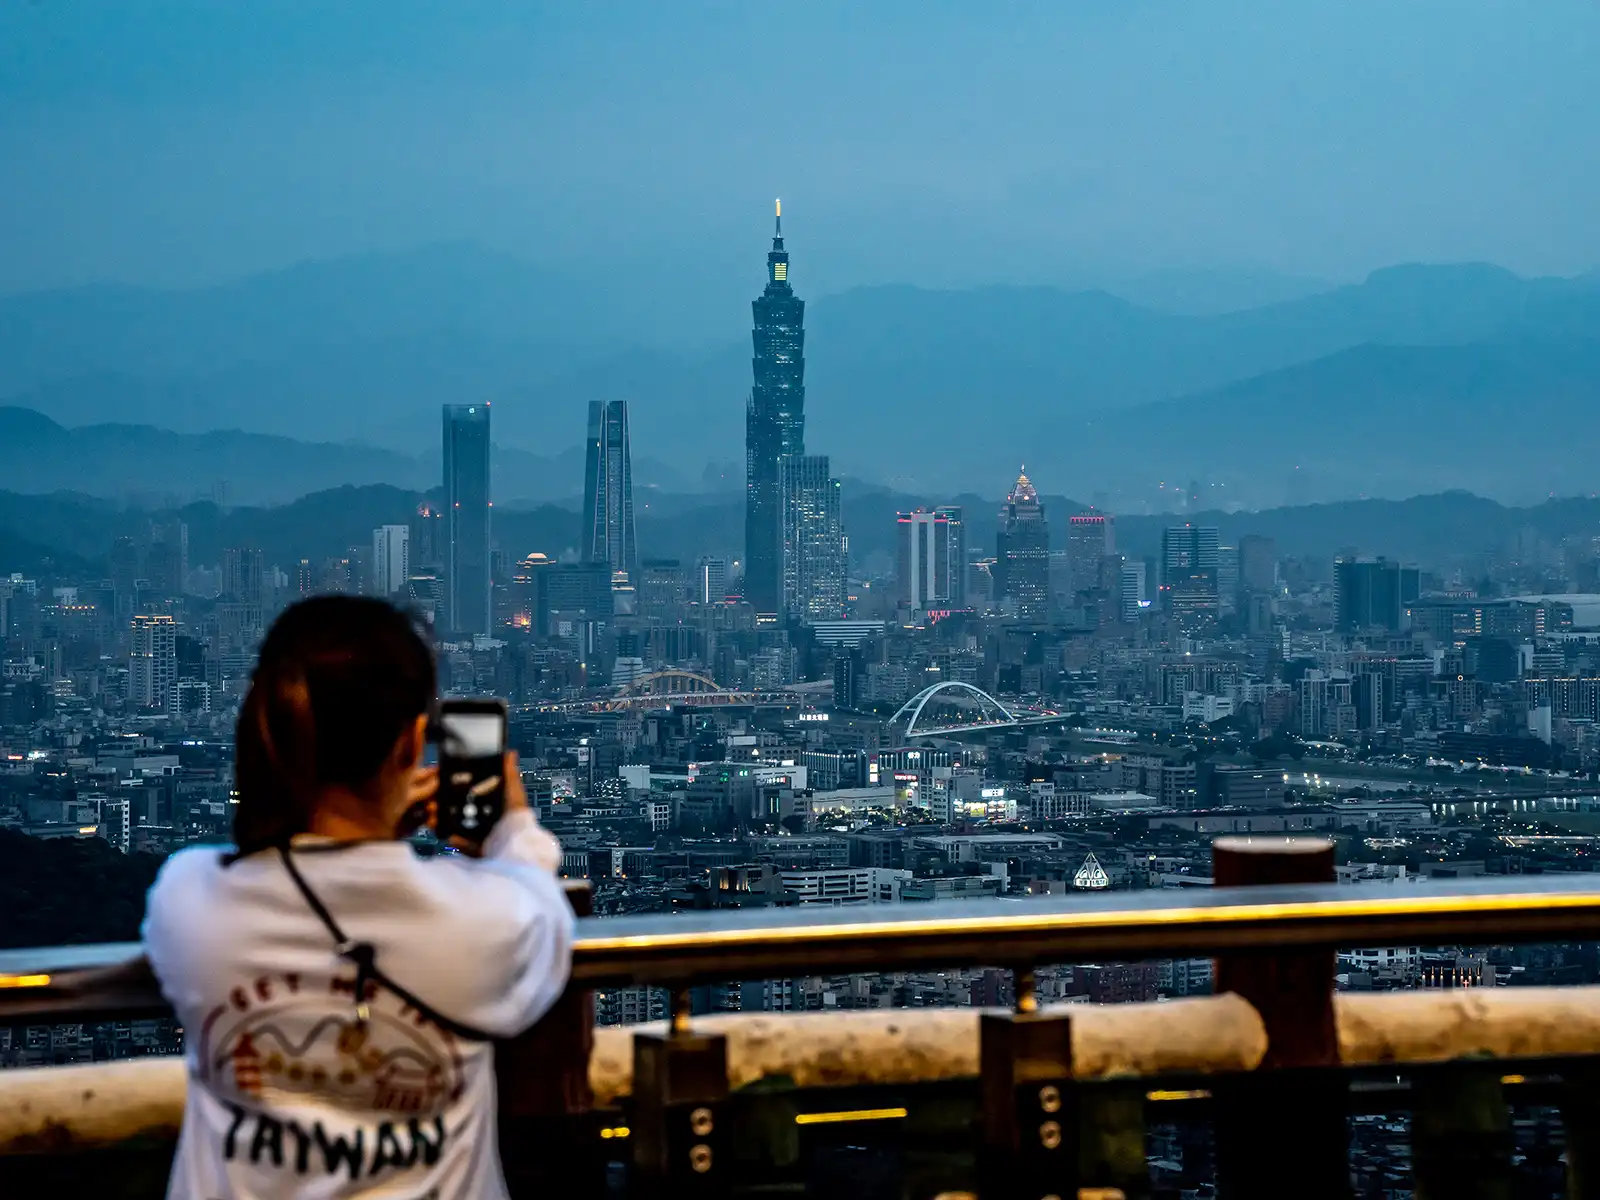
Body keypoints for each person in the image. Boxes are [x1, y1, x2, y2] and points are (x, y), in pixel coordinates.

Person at [142, 596, 574, 1199]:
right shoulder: (480, 924)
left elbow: (290, 860)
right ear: (412, 742)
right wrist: (514, 828)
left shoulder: (190, 902)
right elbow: (539, 899)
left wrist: (363, 835)